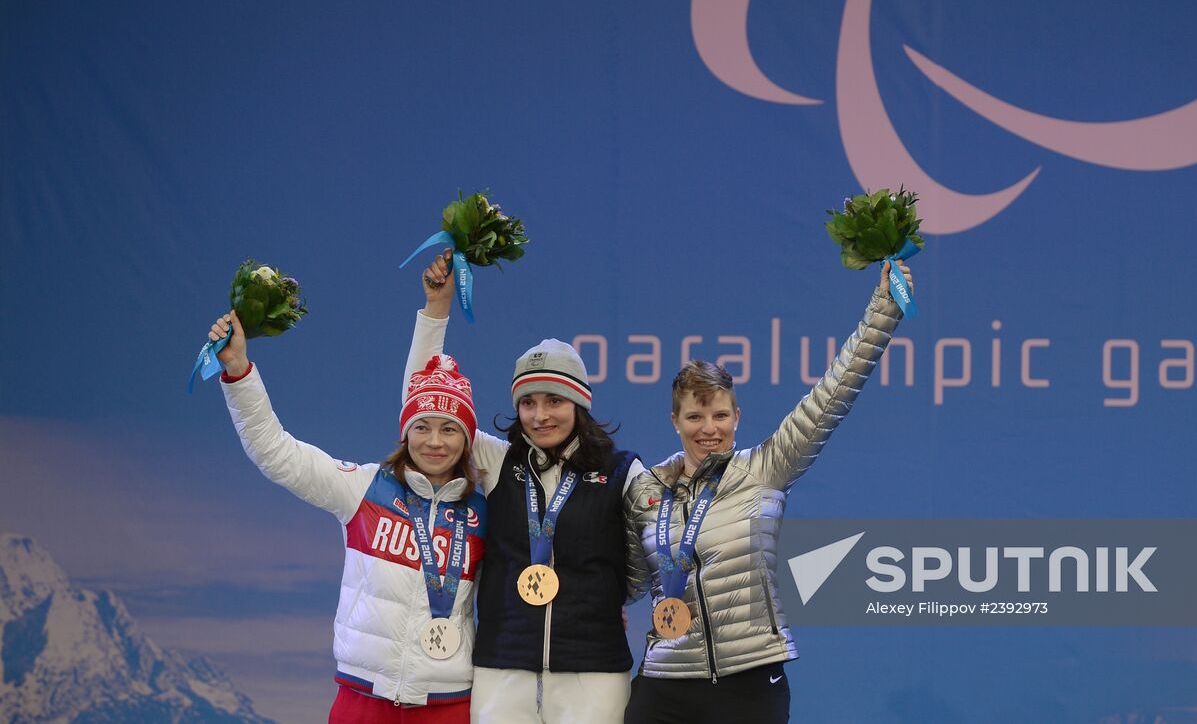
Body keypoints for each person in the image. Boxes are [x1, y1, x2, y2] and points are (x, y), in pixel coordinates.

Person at [621, 260, 912, 724]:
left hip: (749, 681)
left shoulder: (763, 470)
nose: (708, 429)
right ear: (674, 422)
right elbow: (628, 579)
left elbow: (832, 394)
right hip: (665, 680)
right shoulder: (644, 490)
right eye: (694, 417)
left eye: (719, 415)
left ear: (738, 417)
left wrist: (884, 311)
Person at [210, 309, 487, 722]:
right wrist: (238, 371)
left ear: (467, 441)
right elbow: (276, 454)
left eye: (449, 429)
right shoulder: (363, 488)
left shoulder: (484, 515)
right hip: (362, 700)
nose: (434, 442)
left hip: (449, 705)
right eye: (422, 426)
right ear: (404, 431)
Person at [406, 249, 645, 723]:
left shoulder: (622, 471)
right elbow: (422, 403)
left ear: (579, 403)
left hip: (593, 671)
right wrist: (436, 312)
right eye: (528, 402)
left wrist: (610, 598)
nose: (540, 416)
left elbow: (653, 558)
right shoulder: (498, 461)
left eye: (554, 400)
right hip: (502, 667)